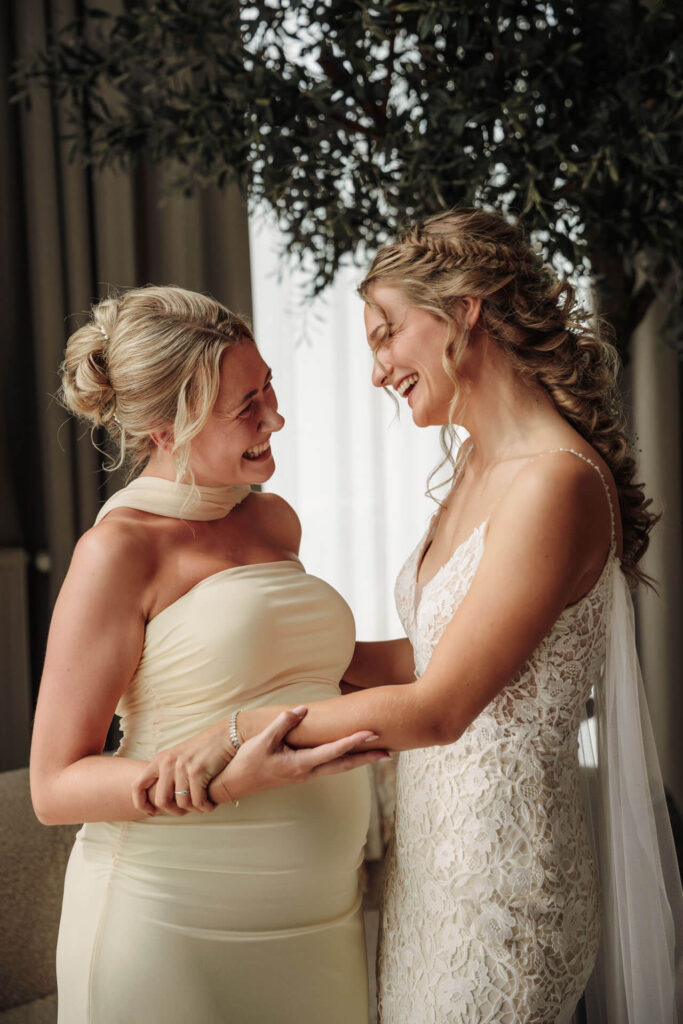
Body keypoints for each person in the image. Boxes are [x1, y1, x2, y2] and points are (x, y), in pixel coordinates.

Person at [136, 211, 683, 1023]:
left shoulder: (554, 483)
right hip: (432, 873)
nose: (376, 371)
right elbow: (428, 655)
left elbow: (439, 708)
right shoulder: (478, 464)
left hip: (502, 888)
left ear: (464, 308)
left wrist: (236, 729)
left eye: (386, 334)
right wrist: (270, 653)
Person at [30, 285, 389, 1024]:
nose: (275, 418)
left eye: (268, 388)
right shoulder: (118, 551)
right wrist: (225, 783)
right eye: (245, 407)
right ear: (164, 429)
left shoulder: (273, 521)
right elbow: (54, 785)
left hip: (318, 928)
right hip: (167, 922)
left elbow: (329, 672)